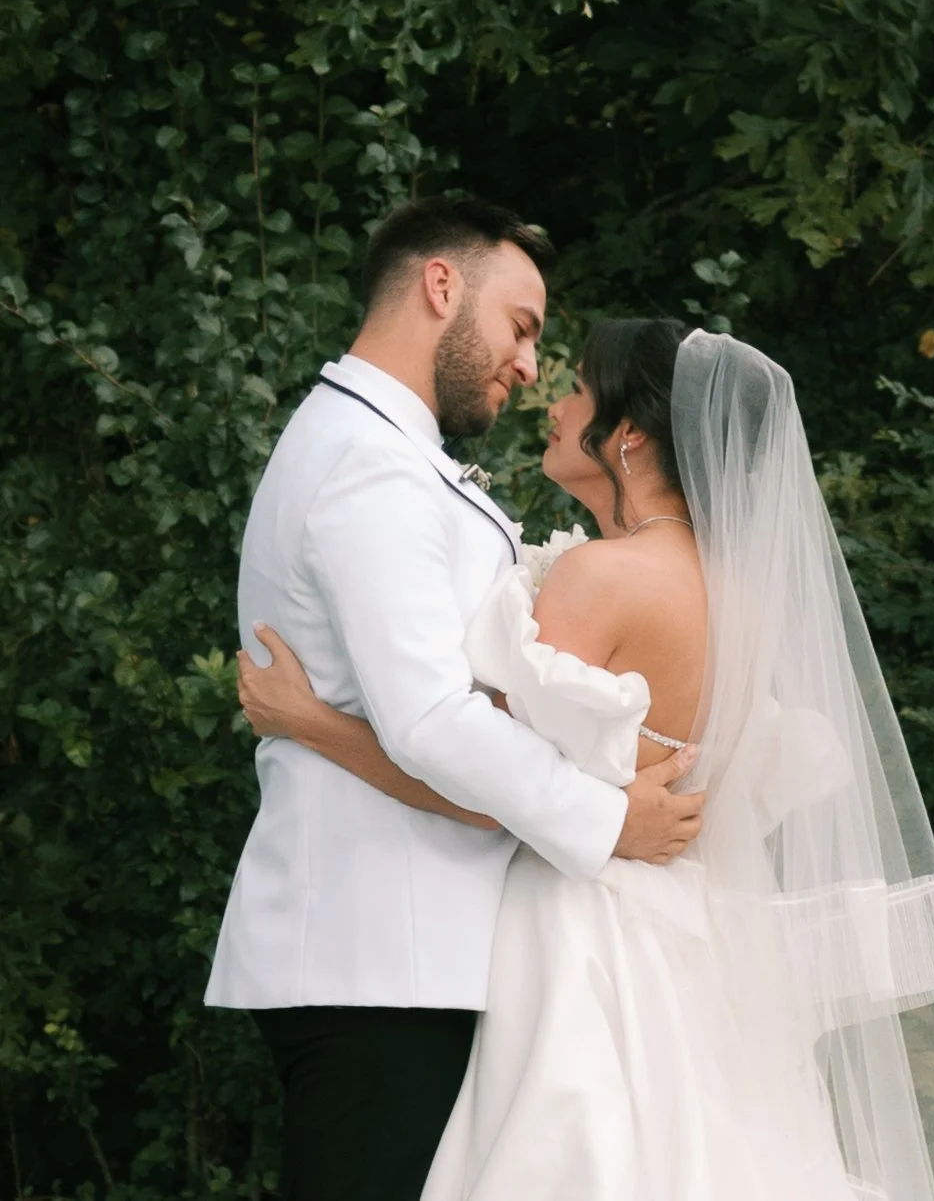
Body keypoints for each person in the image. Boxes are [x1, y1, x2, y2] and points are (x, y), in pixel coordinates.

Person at [241, 322, 934, 1201]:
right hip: (696, 936)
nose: (554, 403)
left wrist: (314, 723)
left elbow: (478, 776)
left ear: (626, 433)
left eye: (579, 390)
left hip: (583, 927)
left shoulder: (598, 579)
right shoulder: (742, 597)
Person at [203, 198, 704, 1201]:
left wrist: (311, 722)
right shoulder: (368, 466)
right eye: (521, 327)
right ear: (441, 286)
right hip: (378, 959)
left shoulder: (389, 454)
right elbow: (431, 719)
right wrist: (607, 820)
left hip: (416, 958)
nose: (529, 366)